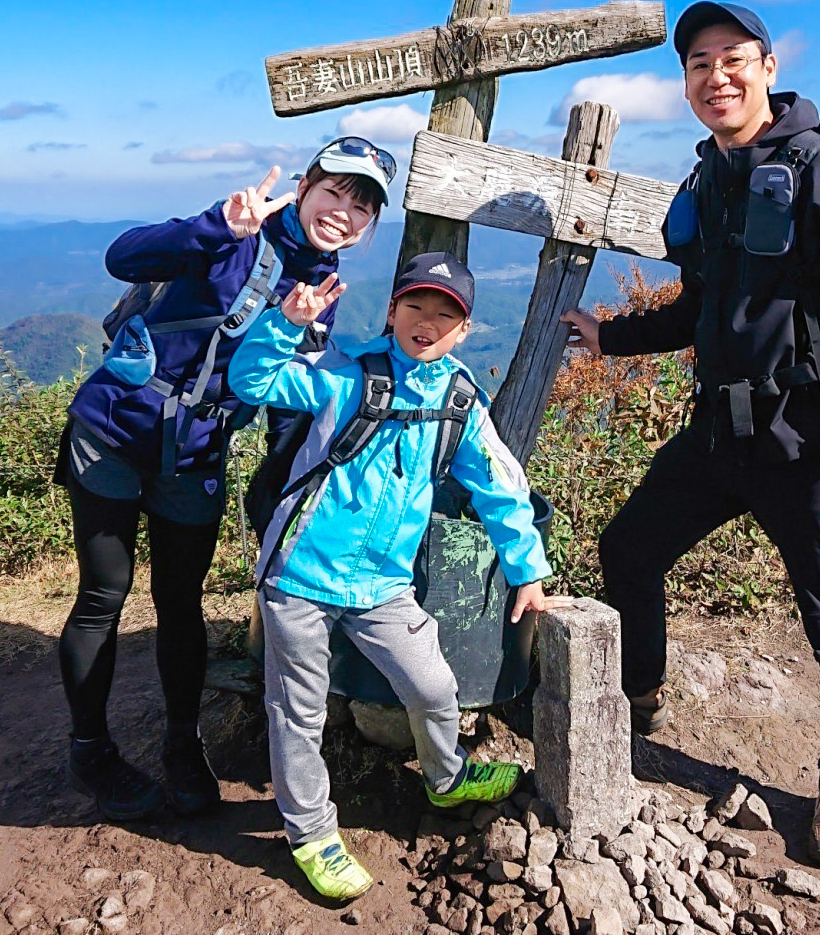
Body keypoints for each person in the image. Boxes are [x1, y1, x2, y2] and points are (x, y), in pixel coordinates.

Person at [561, 1, 820, 869]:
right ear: (685, 84)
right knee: (630, 549)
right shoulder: (710, 183)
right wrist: (614, 337)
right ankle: (639, 693)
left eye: (731, 59)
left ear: (767, 66)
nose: (715, 76)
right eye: (697, 65)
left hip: (812, 443)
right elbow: (699, 308)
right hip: (719, 433)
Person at [54, 137, 394, 822]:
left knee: (180, 601)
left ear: (371, 226)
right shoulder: (236, 230)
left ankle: (184, 745)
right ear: (304, 185)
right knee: (104, 594)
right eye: (335, 191)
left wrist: (284, 485)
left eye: (363, 206)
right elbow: (123, 256)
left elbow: (282, 390)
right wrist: (216, 224)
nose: (344, 212)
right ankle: (90, 749)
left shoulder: (320, 286)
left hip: (197, 452)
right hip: (114, 431)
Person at [229, 252, 568, 902]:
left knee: (434, 684)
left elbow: (500, 486)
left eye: (446, 313)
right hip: (301, 572)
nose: (427, 321)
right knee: (297, 713)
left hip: (382, 584)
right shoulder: (348, 372)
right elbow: (255, 382)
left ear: (464, 329)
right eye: (416, 305)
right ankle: (312, 835)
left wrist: (527, 570)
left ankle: (445, 779)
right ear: (392, 311)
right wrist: (282, 322)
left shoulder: (459, 400)